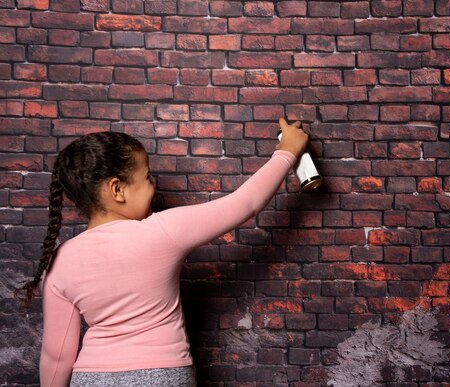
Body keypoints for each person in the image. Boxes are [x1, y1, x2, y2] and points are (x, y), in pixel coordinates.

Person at [15, 118, 309, 386]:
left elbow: (57, 357)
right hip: (164, 376)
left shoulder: (61, 260)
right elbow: (245, 204)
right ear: (117, 190)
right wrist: (287, 151)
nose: (153, 188)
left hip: (91, 378)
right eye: (147, 179)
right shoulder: (161, 230)